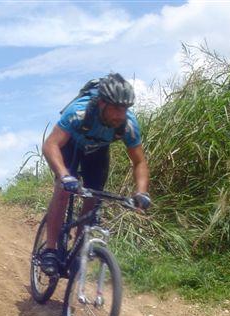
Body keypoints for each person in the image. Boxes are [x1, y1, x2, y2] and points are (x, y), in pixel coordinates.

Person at [39, 73, 151, 276]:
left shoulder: (128, 124)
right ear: (101, 103)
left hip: (97, 152)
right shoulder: (78, 113)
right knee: (63, 191)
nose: (120, 115)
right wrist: (64, 176)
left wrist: (142, 192)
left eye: (124, 109)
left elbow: (139, 161)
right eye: (116, 108)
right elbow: (51, 145)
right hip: (70, 147)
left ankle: (79, 251)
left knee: (94, 198)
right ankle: (50, 249)